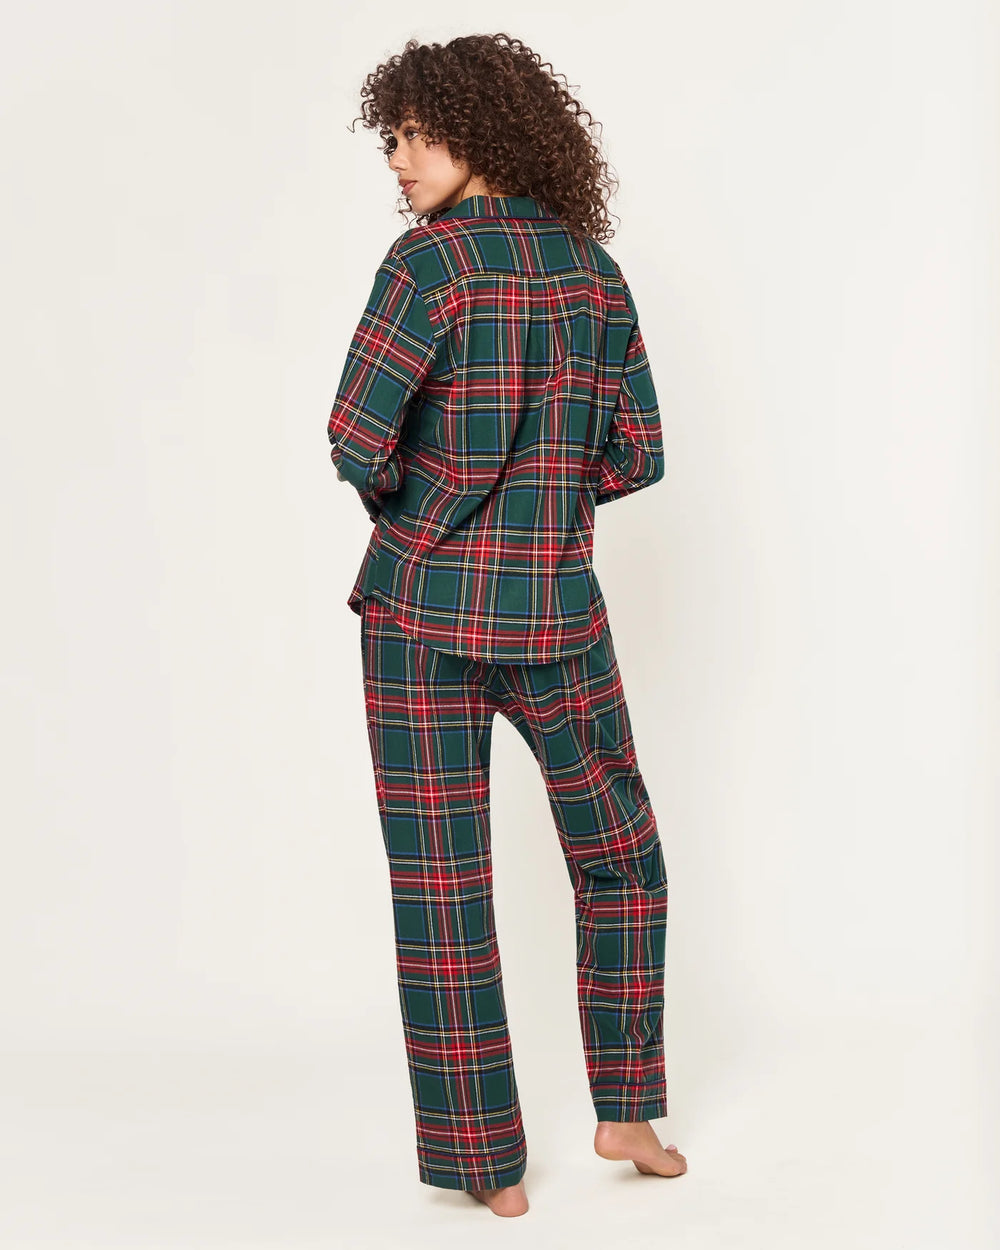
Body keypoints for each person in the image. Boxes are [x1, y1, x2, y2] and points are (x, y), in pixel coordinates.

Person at [326, 32, 687, 1217]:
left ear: (480, 130)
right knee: (620, 853)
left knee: (441, 881)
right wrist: (540, 496)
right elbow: (637, 452)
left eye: (416, 133)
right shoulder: (594, 271)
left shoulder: (424, 266)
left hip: (416, 610)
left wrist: (430, 506)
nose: (397, 157)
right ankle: (627, 1109)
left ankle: (486, 1166)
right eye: (390, 135)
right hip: (554, 603)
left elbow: (355, 438)